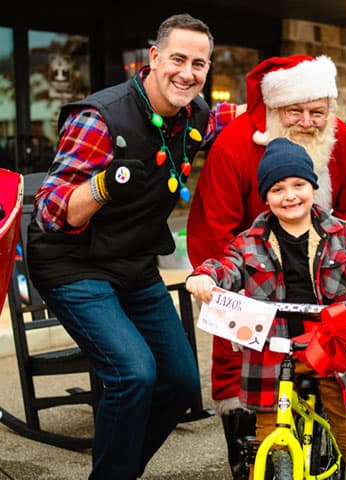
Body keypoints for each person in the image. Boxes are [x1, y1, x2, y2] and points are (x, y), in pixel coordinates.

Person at [26, 13, 231, 480]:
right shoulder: (100, 117)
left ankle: (119, 471)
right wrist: (101, 186)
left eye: (199, 64)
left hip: (133, 263)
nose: (188, 72)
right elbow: (50, 211)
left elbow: (245, 117)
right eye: (178, 59)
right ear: (154, 57)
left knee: (179, 382)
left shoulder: (197, 114)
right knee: (134, 373)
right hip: (73, 263)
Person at [187, 54, 346, 479]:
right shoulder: (235, 144)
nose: (308, 121)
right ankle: (250, 457)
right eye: (295, 110)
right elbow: (212, 230)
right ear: (273, 108)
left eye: (317, 111)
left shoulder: (344, 142)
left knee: (344, 375)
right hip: (254, 286)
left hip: (326, 286)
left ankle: (344, 451)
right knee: (242, 370)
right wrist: (222, 290)